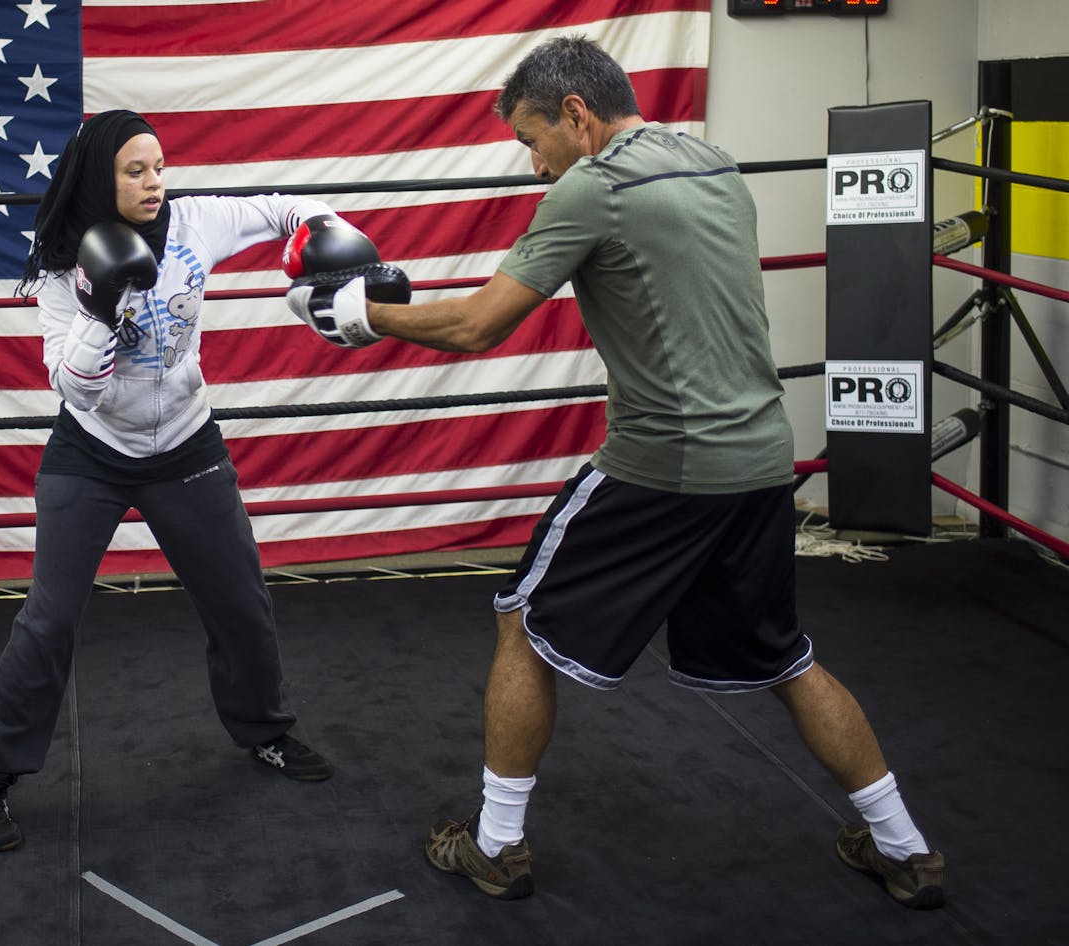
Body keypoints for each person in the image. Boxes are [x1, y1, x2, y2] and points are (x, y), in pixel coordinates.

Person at [286, 36, 945, 908]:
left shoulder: (594, 188)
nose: (533, 163)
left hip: (664, 463)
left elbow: (480, 326)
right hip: (758, 459)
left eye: (533, 139)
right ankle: (905, 848)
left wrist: (360, 313)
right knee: (785, 659)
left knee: (520, 620)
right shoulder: (709, 161)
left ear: (576, 114)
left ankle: (495, 847)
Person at [0, 109, 357, 852]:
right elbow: (74, 390)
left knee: (240, 598)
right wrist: (103, 305)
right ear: (100, 178)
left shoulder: (194, 223)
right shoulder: (59, 263)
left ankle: (266, 732)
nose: (153, 183)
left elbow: (282, 208)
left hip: (184, 444)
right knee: (48, 620)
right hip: (92, 451)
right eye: (134, 171)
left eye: (158, 167)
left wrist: (325, 227)